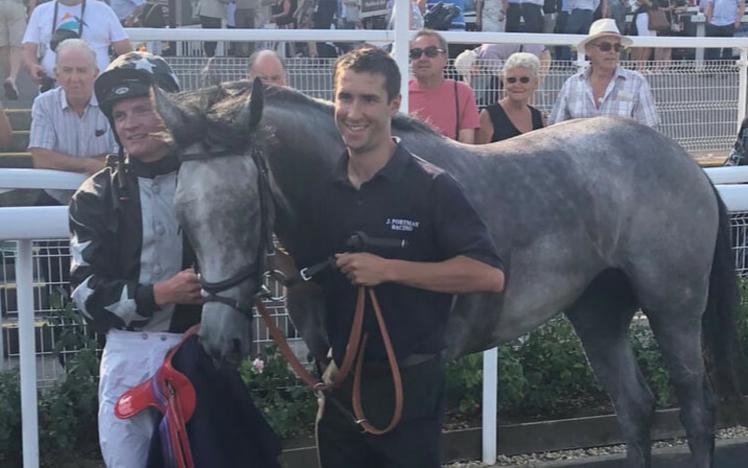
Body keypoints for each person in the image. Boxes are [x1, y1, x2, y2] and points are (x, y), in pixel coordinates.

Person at [302, 45, 504, 468]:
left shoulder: (431, 187)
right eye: (345, 97)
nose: (353, 112)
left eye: (369, 99)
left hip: (408, 386)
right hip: (340, 382)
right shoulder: (322, 191)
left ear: (395, 104)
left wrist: (388, 270)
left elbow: (487, 275)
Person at [28, 39, 117, 205]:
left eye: (81, 70)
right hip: (56, 196)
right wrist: (89, 164)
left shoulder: (113, 103)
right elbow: (41, 159)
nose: (74, 78)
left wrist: (63, 161)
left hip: (104, 196)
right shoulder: (44, 104)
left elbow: (120, 158)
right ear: (56, 73)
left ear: (95, 73)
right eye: (67, 70)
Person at [549, 18, 659, 128]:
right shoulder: (571, 84)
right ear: (588, 50)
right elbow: (555, 130)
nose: (612, 52)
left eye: (617, 47)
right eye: (605, 47)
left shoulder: (637, 82)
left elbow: (649, 132)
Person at [22, 0, 132, 92]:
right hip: (53, 89)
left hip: (98, 89)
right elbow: (28, 48)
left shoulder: (103, 10)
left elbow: (125, 51)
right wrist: (32, 66)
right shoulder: (41, 11)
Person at [408, 29, 480, 143]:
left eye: (431, 52)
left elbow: (467, 144)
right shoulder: (399, 94)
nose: (422, 58)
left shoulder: (462, 93)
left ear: (445, 58)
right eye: (416, 53)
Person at [477, 52, 545, 144]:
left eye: (524, 80)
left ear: (535, 83)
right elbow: (480, 154)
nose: (517, 85)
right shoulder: (489, 115)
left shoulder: (538, 117)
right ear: (504, 82)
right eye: (511, 80)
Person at [0, 0, 31, 99]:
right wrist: (32, 8)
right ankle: (12, 78)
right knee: (16, 46)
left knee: (3, 46)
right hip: (16, 4)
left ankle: (8, 78)